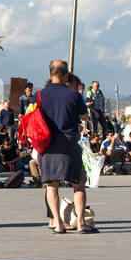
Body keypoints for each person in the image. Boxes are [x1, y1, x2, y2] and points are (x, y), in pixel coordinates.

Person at [37, 60, 95, 234]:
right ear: (67, 75)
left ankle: (58, 224)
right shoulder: (74, 95)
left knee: (52, 185)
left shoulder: (39, 95)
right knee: (78, 184)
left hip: (48, 145)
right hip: (69, 143)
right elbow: (84, 116)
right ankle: (82, 223)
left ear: (49, 74)